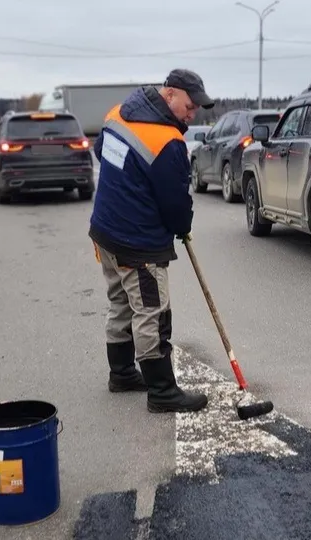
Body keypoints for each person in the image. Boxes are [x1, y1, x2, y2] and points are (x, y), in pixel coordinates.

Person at [88, 69, 215, 414]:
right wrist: (181, 225)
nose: (192, 115)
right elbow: (175, 203)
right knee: (151, 312)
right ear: (169, 93)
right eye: (189, 106)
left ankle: (123, 373)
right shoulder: (168, 142)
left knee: (120, 303)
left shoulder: (118, 113)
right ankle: (162, 391)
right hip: (137, 242)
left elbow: (103, 153)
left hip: (105, 233)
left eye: (196, 110)